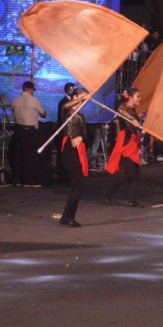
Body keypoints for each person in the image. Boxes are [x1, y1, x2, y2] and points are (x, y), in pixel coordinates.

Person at [57, 86, 91, 227]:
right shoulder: (66, 112)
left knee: (78, 186)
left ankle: (67, 216)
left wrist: (81, 138)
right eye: (80, 98)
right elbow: (65, 105)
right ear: (75, 97)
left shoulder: (81, 116)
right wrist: (83, 97)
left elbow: (85, 134)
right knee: (78, 185)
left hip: (78, 150)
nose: (83, 102)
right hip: (69, 151)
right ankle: (67, 217)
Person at [105, 88, 143, 207]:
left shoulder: (133, 109)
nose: (140, 99)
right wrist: (133, 120)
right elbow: (121, 111)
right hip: (126, 142)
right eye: (138, 96)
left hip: (133, 141)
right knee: (129, 172)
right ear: (130, 97)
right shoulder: (123, 108)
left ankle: (131, 199)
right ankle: (108, 191)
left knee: (135, 172)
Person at [10, 80, 47, 186]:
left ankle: (16, 180)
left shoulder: (16, 100)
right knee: (30, 156)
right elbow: (43, 114)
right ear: (31, 90)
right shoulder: (34, 100)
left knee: (18, 156)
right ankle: (28, 181)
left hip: (18, 130)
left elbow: (13, 111)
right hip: (30, 131)